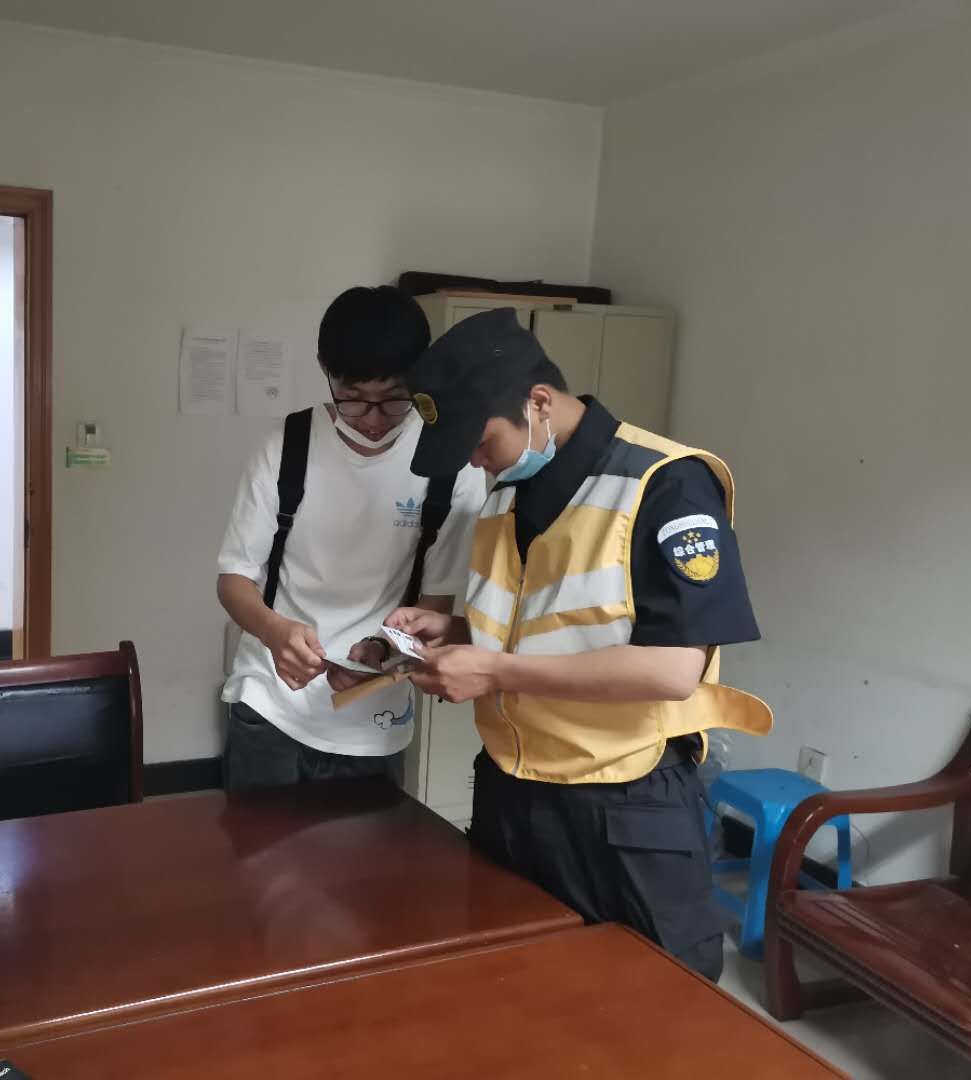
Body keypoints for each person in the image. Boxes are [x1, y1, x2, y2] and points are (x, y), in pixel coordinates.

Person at [387, 308, 771, 981]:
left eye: (482, 441)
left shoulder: (665, 484)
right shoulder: (505, 495)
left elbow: (673, 669)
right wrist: (457, 633)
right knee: (516, 984)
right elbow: (543, 625)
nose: (474, 461)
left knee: (659, 997)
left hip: (623, 801)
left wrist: (494, 669)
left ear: (539, 403)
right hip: (512, 793)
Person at [217, 286, 486, 792]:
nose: (374, 419)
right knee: (254, 844)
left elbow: (433, 605)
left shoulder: (450, 466)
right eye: (354, 399)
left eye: (394, 399)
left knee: (371, 847)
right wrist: (274, 632)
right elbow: (234, 580)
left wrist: (385, 652)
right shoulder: (286, 447)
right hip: (271, 701)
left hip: (374, 716)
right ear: (326, 370)